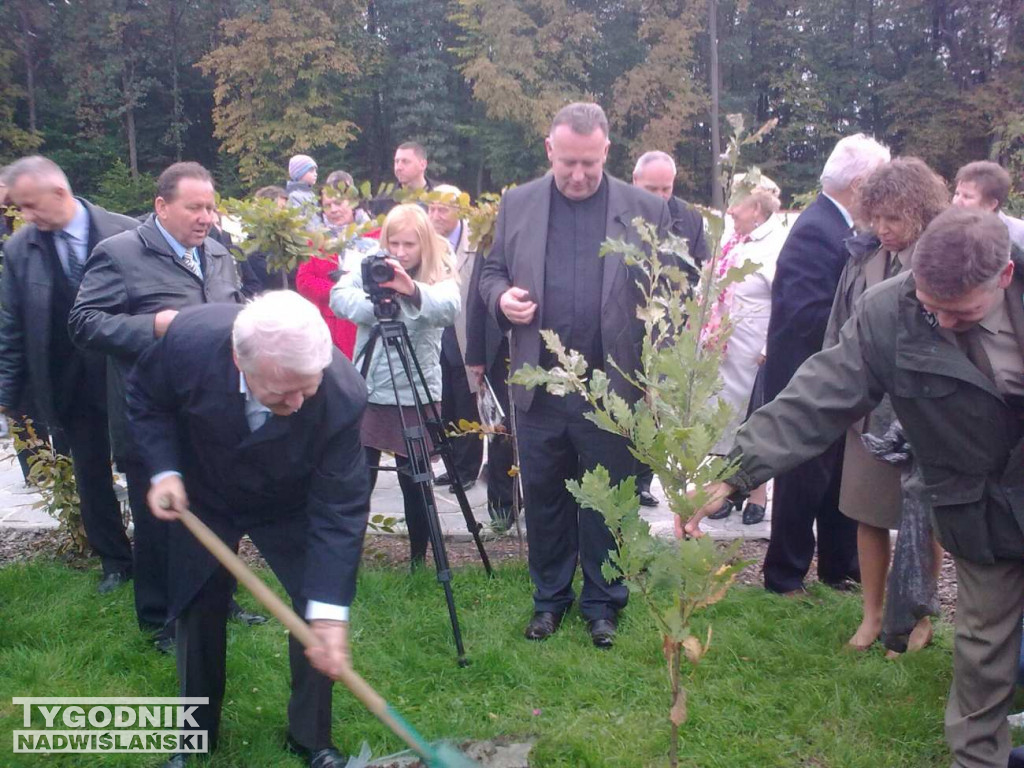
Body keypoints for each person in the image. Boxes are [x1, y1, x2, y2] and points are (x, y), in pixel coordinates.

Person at [684, 206, 1024, 768]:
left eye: (960, 314)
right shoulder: (888, 312)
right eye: (931, 307)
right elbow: (817, 394)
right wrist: (734, 472)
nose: (940, 322)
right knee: (983, 652)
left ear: (1004, 277)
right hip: (979, 511)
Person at [126, 293, 370, 768]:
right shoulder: (190, 342)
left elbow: (339, 509)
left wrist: (328, 616)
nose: (298, 402)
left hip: (289, 501)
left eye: (307, 388)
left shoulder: (342, 395)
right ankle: (194, 736)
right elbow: (145, 398)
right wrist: (164, 470)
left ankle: (311, 739)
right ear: (240, 360)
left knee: (313, 608)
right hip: (205, 492)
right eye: (283, 392)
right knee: (198, 602)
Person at [478, 102, 671, 648]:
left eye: (589, 162)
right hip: (540, 386)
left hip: (614, 387)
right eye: (568, 163)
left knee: (608, 500)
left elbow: (669, 292)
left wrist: (658, 379)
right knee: (544, 497)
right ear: (549, 150)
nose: (579, 174)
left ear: (607, 151)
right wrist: (501, 299)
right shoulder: (518, 204)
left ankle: (604, 603)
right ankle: (549, 599)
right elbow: (490, 271)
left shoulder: (644, 210)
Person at [68, 161, 245, 650]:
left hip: (212, 411)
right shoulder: (119, 254)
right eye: (195, 207)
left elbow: (234, 304)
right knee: (160, 523)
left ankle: (218, 602)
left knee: (216, 512)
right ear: (162, 206)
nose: (206, 216)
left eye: (210, 206)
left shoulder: (216, 252)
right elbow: (83, 324)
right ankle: (158, 619)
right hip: (151, 417)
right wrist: (153, 326)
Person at [826, 157, 949, 652]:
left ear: (920, 210)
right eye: (875, 218)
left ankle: (918, 617)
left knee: (926, 520)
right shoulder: (862, 257)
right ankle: (873, 614)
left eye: (893, 219)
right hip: (866, 408)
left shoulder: (943, 256)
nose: (883, 229)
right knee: (868, 513)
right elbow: (838, 330)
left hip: (924, 412)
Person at [758, 133, 891, 594]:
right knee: (803, 477)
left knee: (839, 476)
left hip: (835, 373)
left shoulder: (839, 225)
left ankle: (841, 566)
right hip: (808, 374)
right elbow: (805, 313)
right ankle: (784, 576)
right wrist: (860, 335)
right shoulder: (818, 228)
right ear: (859, 183)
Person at [0, 156, 136, 591]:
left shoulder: (127, 231)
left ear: (59, 193)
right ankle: (116, 562)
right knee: (91, 475)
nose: (25, 216)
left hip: (127, 380)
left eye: (30, 205)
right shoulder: (21, 250)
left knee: (146, 464)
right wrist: (8, 393)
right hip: (68, 383)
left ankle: (160, 553)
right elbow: (12, 325)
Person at [330, 203, 458, 565]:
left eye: (409, 245)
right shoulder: (370, 262)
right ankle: (345, 559)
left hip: (416, 389)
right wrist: (380, 306)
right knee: (359, 478)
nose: (400, 253)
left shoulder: (439, 269)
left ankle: (420, 559)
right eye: (394, 243)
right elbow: (339, 297)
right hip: (370, 389)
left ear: (424, 245)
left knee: (415, 482)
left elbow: (449, 307)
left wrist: (411, 291)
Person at [630, 149, 710, 506]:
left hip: (668, 328)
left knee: (655, 404)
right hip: (624, 321)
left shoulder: (690, 218)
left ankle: (644, 479)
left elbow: (700, 270)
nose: (660, 196)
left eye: (666, 189)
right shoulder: (618, 214)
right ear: (634, 183)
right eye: (652, 188)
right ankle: (621, 473)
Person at [705, 185, 788, 526]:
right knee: (723, 418)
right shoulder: (731, 239)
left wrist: (771, 346)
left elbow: (783, 299)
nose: (730, 211)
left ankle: (757, 492)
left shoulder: (775, 245)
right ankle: (725, 487)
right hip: (724, 348)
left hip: (755, 351)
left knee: (755, 417)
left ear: (756, 208)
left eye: (736, 204)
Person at [428, 184, 482, 493]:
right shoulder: (426, 242)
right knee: (443, 403)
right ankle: (450, 465)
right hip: (435, 333)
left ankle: (468, 468)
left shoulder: (475, 242)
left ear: (459, 210)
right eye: (431, 208)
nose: (435, 215)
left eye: (442, 209)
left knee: (467, 403)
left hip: (464, 333)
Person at [295, 172, 375, 359]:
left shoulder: (373, 234)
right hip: (330, 325)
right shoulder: (316, 240)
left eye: (338, 203)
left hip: (367, 318)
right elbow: (304, 281)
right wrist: (338, 290)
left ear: (353, 202)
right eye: (327, 205)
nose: (333, 210)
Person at [952, 160, 1024, 249]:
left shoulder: (1018, 235)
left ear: (991, 204)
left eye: (967, 197)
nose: (956, 202)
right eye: (957, 194)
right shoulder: (946, 232)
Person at [368, 142, 436, 217]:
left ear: (423, 165)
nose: (398, 167)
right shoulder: (383, 199)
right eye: (396, 162)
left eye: (405, 162)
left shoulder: (439, 195)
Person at [285, 153, 322, 229]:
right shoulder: (294, 196)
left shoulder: (311, 194)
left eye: (315, 171)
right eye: (311, 171)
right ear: (299, 173)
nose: (315, 174)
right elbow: (298, 222)